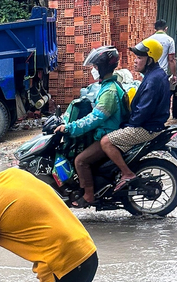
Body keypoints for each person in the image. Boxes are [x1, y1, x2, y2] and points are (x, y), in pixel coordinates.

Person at [54, 46, 125, 207]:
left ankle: (89, 195)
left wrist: (70, 128)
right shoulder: (108, 86)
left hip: (108, 135)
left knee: (80, 161)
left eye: (96, 67)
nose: (93, 70)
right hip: (103, 132)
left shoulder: (109, 92)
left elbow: (95, 119)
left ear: (103, 67)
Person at [100, 38, 171, 192]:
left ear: (150, 60)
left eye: (139, 58)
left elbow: (142, 112)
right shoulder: (155, 75)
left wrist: (127, 125)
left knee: (106, 142)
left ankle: (127, 174)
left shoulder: (153, 81)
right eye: (136, 57)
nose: (135, 62)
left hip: (147, 128)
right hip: (150, 124)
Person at [151, 19, 176, 84]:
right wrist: (174, 75)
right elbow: (171, 60)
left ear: (155, 29)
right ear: (166, 28)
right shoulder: (169, 40)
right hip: (162, 72)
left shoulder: (149, 40)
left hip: (150, 73)